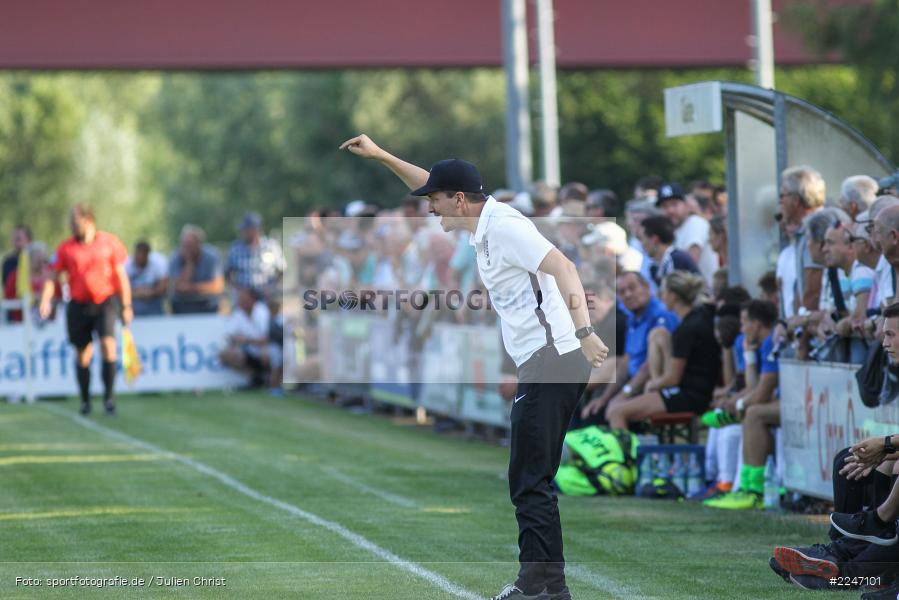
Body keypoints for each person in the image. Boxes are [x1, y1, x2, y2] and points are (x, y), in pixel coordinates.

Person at [340, 133, 608, 600]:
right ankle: (547, 586)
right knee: (530, 478)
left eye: (436, 201)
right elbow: (430, 180)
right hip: (544, 360)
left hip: (555, 357)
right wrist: (381, 156)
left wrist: (585, 333)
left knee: (530, 479)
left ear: (460, 200)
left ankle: (542, 587)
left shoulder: (502, 226)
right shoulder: (481, 222)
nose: (429, 207)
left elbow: (565, 267)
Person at [38, 204, 132, 416]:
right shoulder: (66, 248)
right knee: (83, 354)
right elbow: (53, 277)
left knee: (108, 346)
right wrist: (45, 299)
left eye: (75, 222)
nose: (72, 226)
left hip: (105, 301)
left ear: (89, 221)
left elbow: (120, 276)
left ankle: (109, 399)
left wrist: (126, 305)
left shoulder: (109, 243)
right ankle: (85, 400)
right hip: (79, 304)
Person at [604, 271, 720, 429]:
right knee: (658, 334)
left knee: (617, 413)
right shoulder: (698, 318)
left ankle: (623, 446)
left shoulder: (686, 329)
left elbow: (673, 378)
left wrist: (652, 385)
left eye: (663, 292)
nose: (661, 296)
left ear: (673, 296)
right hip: (695, 390)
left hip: (690, 395)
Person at [705, 300, 780, 510]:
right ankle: (744, 487)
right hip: (783, 401)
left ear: (756, 324)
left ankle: (754, 490)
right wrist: (749, 356)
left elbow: (763, 392)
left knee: (753, 414)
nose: (742, 329)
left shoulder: (772, 342)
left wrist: (738, 406)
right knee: (751, 412)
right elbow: (753, 386)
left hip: (796, 403)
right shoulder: (762, 345)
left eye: (744, 322)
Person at [579, 271, 679, 421]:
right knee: (594, 409)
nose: (627, 294)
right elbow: (626, 362)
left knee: (609, 413)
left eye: (632, 288)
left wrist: (625, 393)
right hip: (633, 384)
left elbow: (648, 367)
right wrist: (605, 399)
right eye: (622, 291)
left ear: (647, 287)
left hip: (653, 387)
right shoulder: (632, 318)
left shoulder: (662, 315)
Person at [656, 182, 719, 285]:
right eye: (665, 206)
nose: (670, 210)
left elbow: (687, 267)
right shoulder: (675, 230)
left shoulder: (695, 223)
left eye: (674, 204)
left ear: (686, 205)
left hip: (703, 292)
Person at [219, 286, 272, 388]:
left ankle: (271, 378)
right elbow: (229, 335)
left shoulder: (262, 311)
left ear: (252, 299)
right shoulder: (238, 313)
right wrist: (234, 341)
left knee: (268, 353)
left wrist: (247, 340)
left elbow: (267, 339)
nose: (240, 300)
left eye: (243, 297)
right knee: (225, 354)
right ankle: (255, 377)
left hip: (265, 351)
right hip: (249, 352)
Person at [224, 212, 285, 296]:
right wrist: (237, 290)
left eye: (245, 230)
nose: (242, 232)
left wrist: (272, 287)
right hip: (243, 299)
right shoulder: (235, 248)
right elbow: (226, 274)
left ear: (255, 230)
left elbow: (282, 270)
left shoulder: (271, 246)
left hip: (266, 297)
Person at [169, 224, 224, 314]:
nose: (187, 248)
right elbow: (179, 288)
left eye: (190, 245)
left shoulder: (212, 256)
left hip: (207, 304)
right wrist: (189, 263)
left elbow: (217, 287)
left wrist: (191, 288)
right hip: (182, 304)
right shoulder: (176, 257)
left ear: (199, 244)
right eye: (185, 245)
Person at [639, 214, 700, 287]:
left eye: (642, 239)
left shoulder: (677, 260)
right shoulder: (657, 267)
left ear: (654, 239)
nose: (641, 244)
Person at [126, 241, 168, 317]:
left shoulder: (158, 263)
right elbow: (123, 287)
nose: (140, 257)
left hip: (153, 301)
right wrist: (137, 293)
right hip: (134, 301)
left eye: (143, 255)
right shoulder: (126, 265)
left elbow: (163, 287)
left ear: (147, 255)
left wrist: (151, 292)